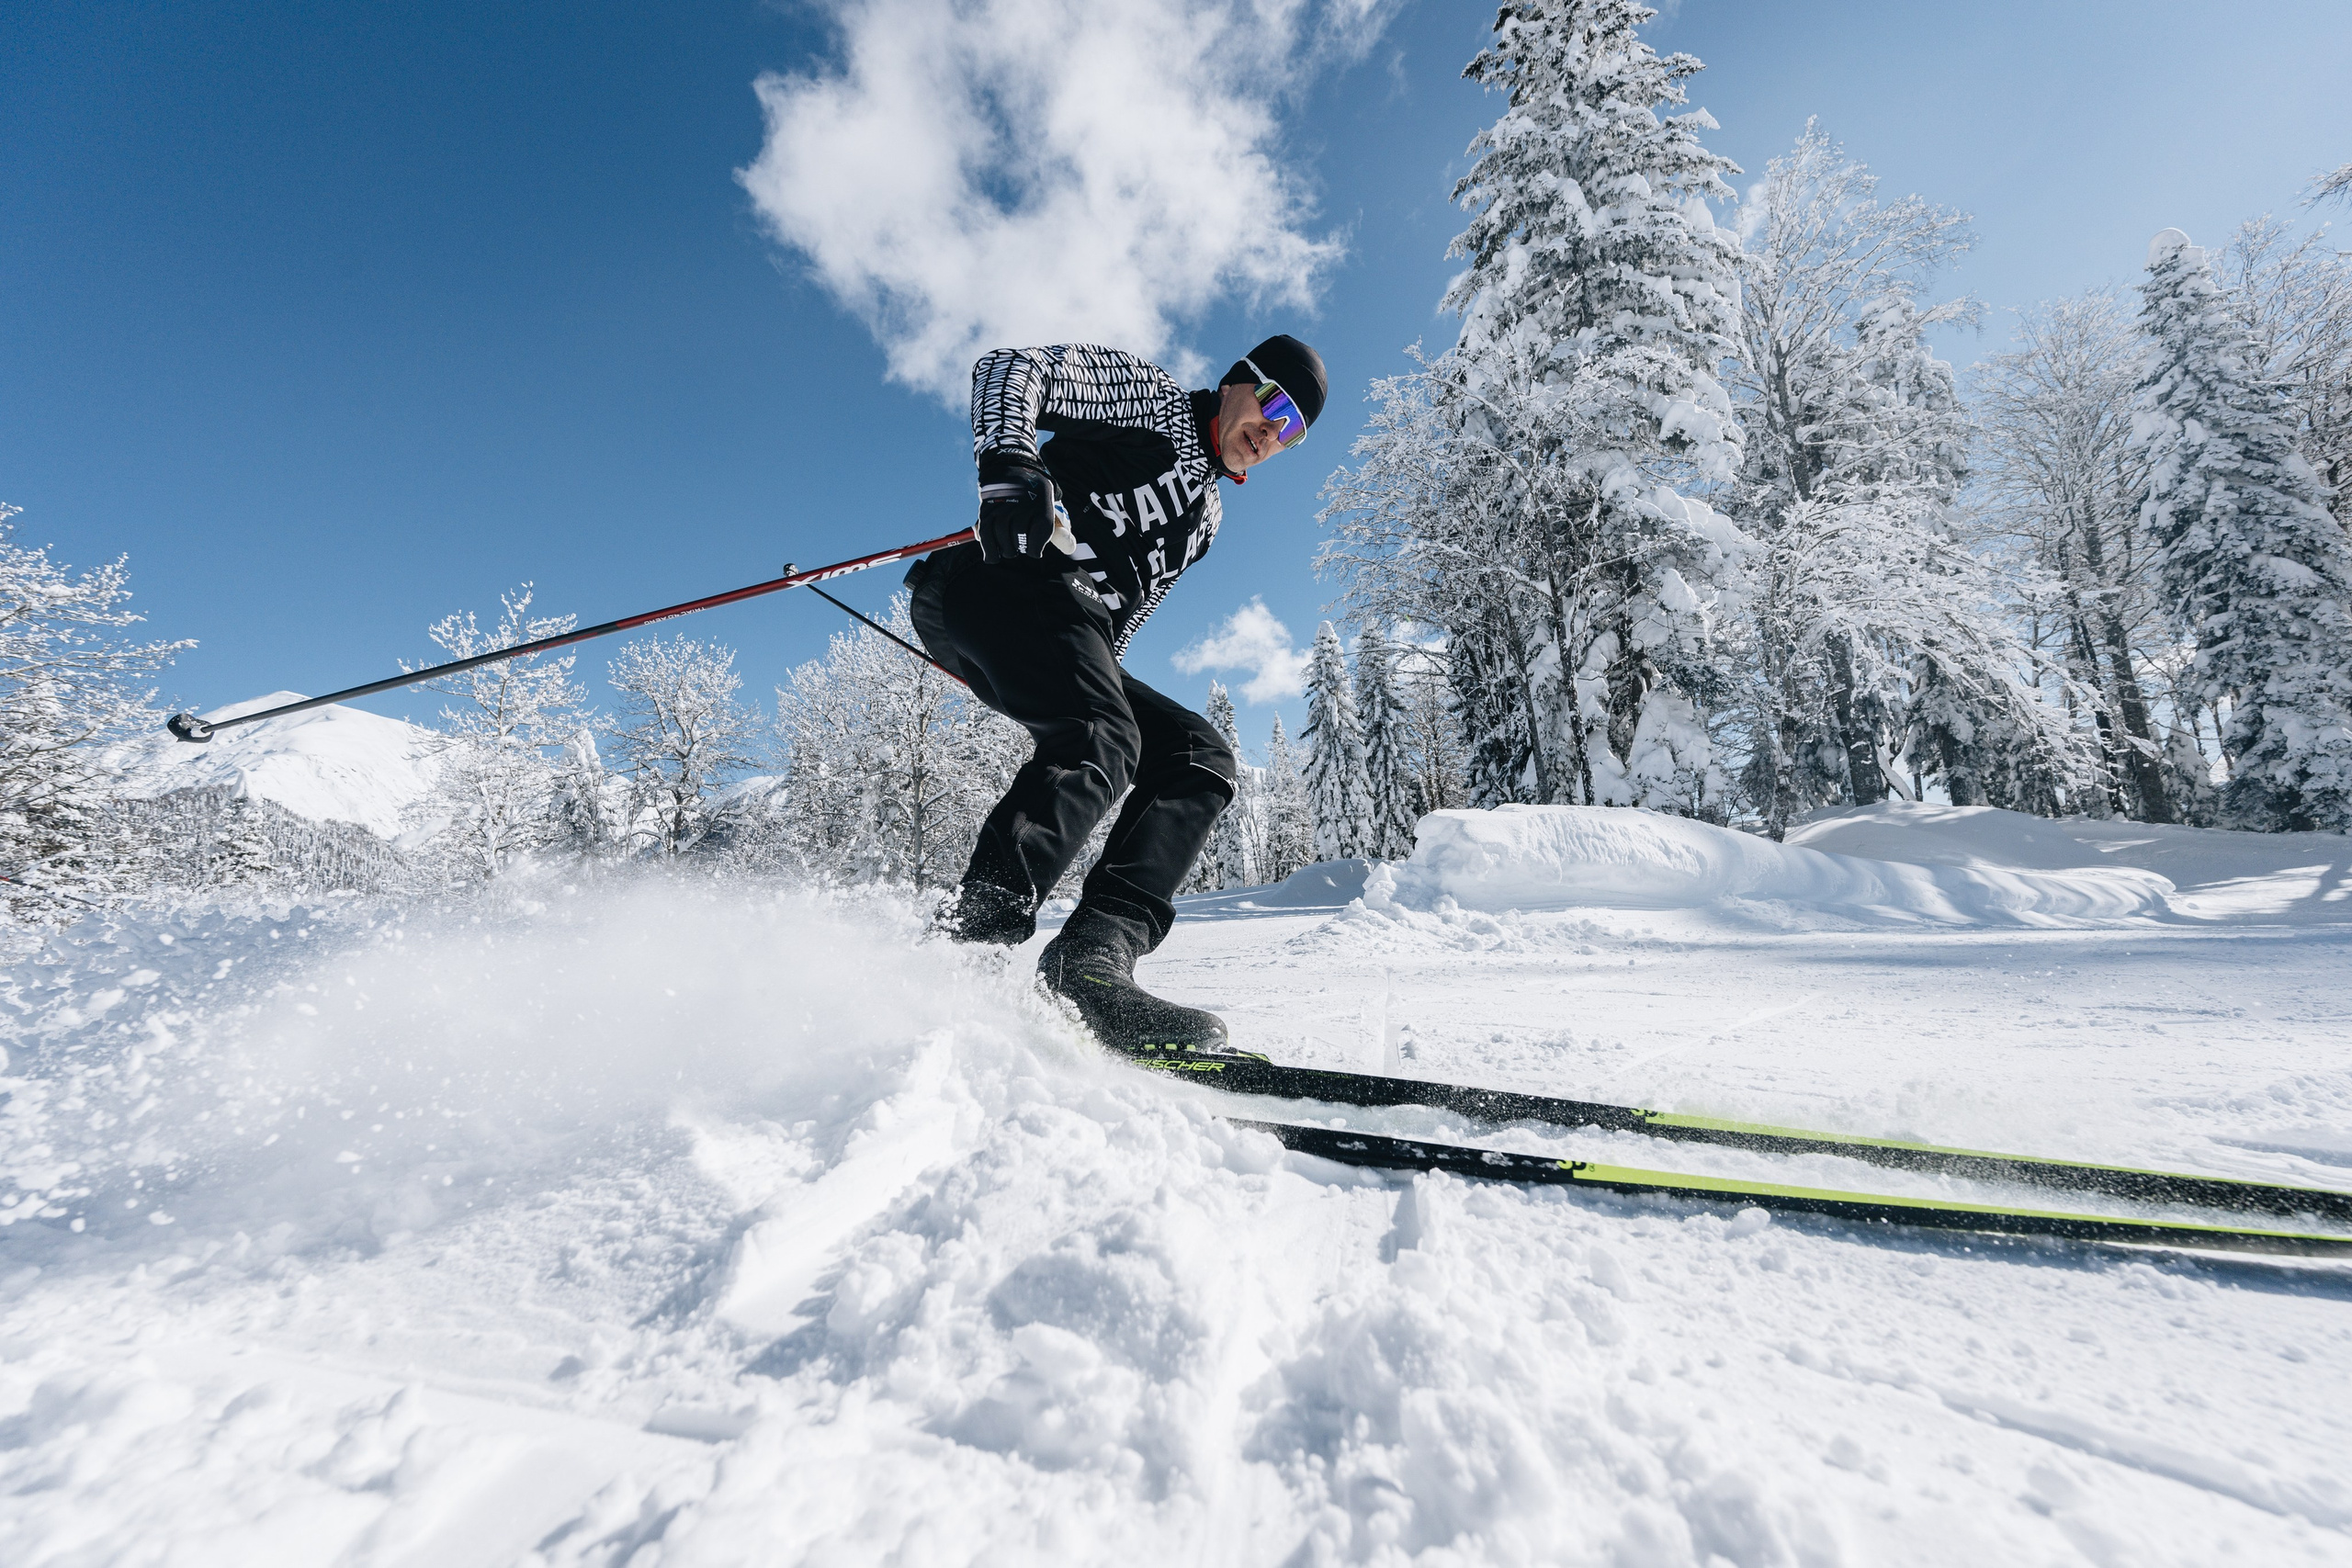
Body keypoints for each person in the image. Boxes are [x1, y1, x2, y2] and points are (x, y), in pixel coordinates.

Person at [905, 336, 1327, 1056]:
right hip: (1000, 579)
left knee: (1200, 755)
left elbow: (1123, 617)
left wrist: (1085, 682)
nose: (1272, 434)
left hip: (1069, 627)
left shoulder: (1208, 520)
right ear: (1237, 382)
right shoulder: (1153, 404)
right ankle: (966, 943)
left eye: (1292, 434)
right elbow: (1010, 369)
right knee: (1106, 730)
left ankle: (1091, 957)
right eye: (1274, 406)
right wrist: (1010, 464)